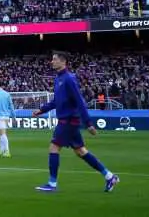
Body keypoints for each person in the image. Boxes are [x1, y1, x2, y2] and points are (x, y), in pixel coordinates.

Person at [32, 51, 118, 193]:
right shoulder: (58, 79)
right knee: (80, 151)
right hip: (68, 120)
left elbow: (80, 101)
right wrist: (42, 110)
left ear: (63, 61)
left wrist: (88, 123)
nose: (51, 61)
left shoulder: (69, 79)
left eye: (54, 59)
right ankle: (109, 176)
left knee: (54, 147)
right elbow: (56, 101)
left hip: (68, 120)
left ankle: (52, 184)